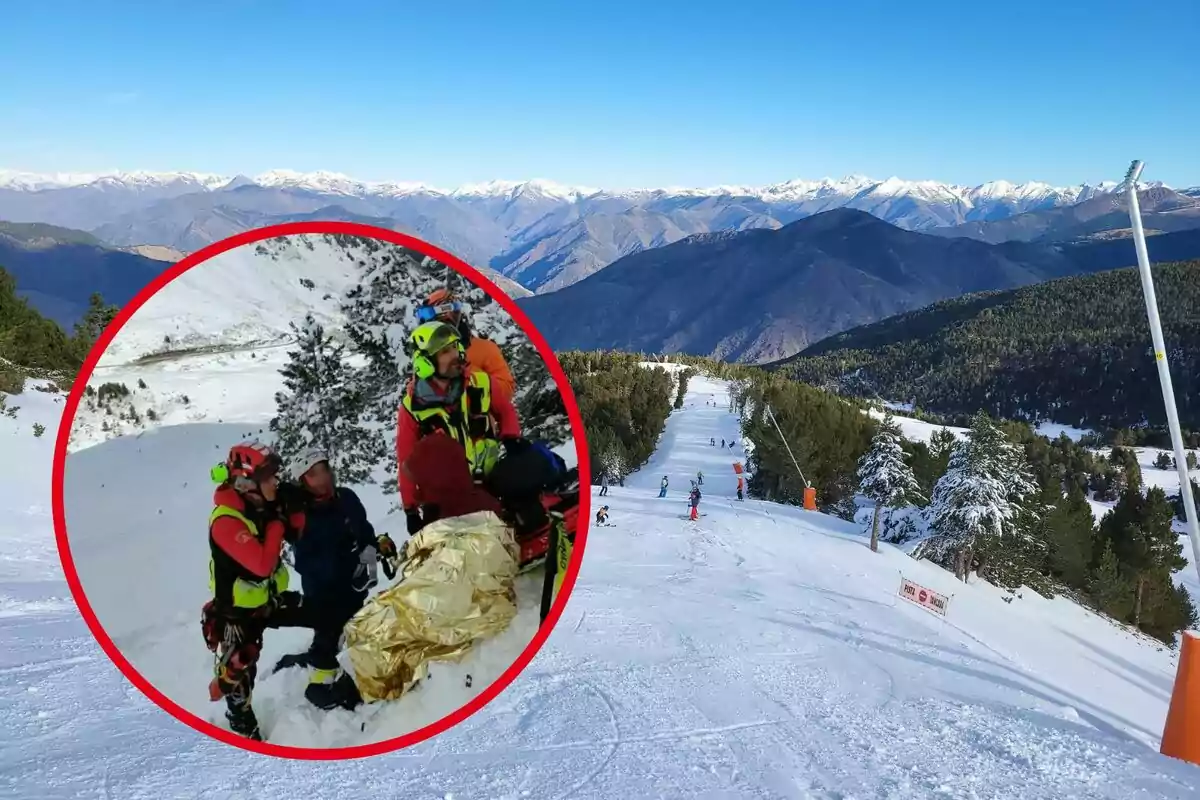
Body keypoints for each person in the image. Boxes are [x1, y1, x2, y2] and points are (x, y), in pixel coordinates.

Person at [202, 440, 317, 741]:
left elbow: (295, 534)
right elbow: (262, 565)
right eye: (268, 478)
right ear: (246, 483)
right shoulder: (226, 521)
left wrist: (294, 510)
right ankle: (241, 727)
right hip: (237, 614)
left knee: (321, 611)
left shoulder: (259, 504)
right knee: (241, 671)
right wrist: (278, 520)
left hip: (268, 600)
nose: (275, 483)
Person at [272, 448, 393, 712]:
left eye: (324, 469)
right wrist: (347, 563)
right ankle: (320, 686)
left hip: (354, 584)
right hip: (324, 589)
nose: (322, 477)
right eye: (313, 474)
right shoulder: (301, 515)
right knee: (329, 630)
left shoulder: (347, 498)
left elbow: (364, 529)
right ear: (303, 481)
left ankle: (333, 652)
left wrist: (370, 550)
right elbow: (305, 561)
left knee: (350, 625)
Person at [397, 321, 524, 537]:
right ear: (426, 362)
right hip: (446, 498)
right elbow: (406, 458)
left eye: (455, 347)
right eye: (445, 351)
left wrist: (512, 439)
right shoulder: (413, 408)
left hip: (488, 480)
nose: (455, 354)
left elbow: (505, 411)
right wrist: (410, 509)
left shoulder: (480, 383)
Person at [417, 288, 516, 401]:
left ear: (445, 314)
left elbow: (506, 390)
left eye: (428, 315)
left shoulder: (484, 349)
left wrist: (468, 373)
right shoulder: (428, 357)